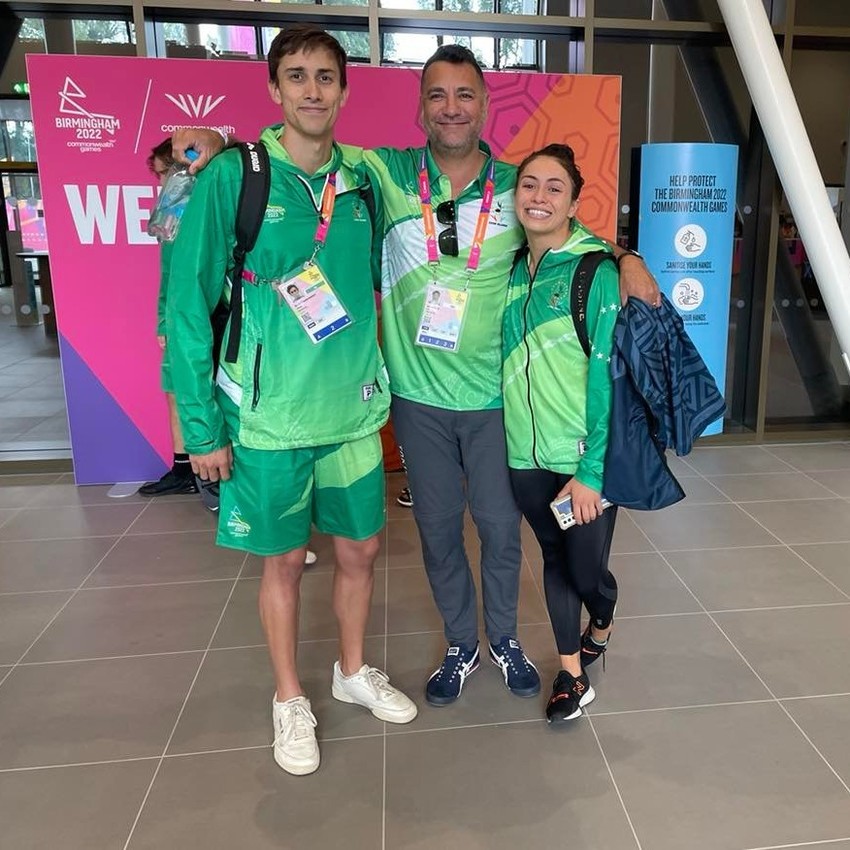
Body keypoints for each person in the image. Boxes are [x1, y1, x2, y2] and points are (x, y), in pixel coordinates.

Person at [172, 42, 659, 709]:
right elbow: (302, 153)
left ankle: (504, 640)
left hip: (494, 401)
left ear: (485, 103)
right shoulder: (382, 173)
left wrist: (626, 258)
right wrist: (214, 145)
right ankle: (461, 643)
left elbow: (568, 230)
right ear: (421, 107)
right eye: (437, 94)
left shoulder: (518, 184)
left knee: (496, 528)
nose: (452, 107)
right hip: (415, 399)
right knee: (436, 531)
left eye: (465, 94)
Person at [165, 26, 416, 777]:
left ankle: (348, 670)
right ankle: (287, 699)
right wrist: (201, 428)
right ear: (274, 89)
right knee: (281, 564)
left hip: (351, 413)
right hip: (267, 420)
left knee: (363, 549)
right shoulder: (233, 178)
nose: (313, 90)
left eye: (327, 77)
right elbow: (184, 305)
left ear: (345, 89)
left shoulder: (364, 179)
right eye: (298, 76)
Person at [502, 144, 620, 724]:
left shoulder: (595, 268)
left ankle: (604, 610)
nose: (539, 197)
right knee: (553, 555)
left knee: (587, 571)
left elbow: (608, 378)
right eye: (529, 185)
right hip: (524, 455)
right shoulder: (510, 269)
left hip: (580, 459)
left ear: (575, 201)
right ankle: (572, 672)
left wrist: (593, 470)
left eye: (554, 187)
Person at [138, 140, 200, 500]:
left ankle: (214, 472)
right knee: (175, 389)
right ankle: (184, 468)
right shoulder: (172, 212)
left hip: (211, 316)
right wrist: (163, 319)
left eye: (166, 172)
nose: (163, 181)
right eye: (160, 174)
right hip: (179, 316)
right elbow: (169, 270)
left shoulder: (214, 205)